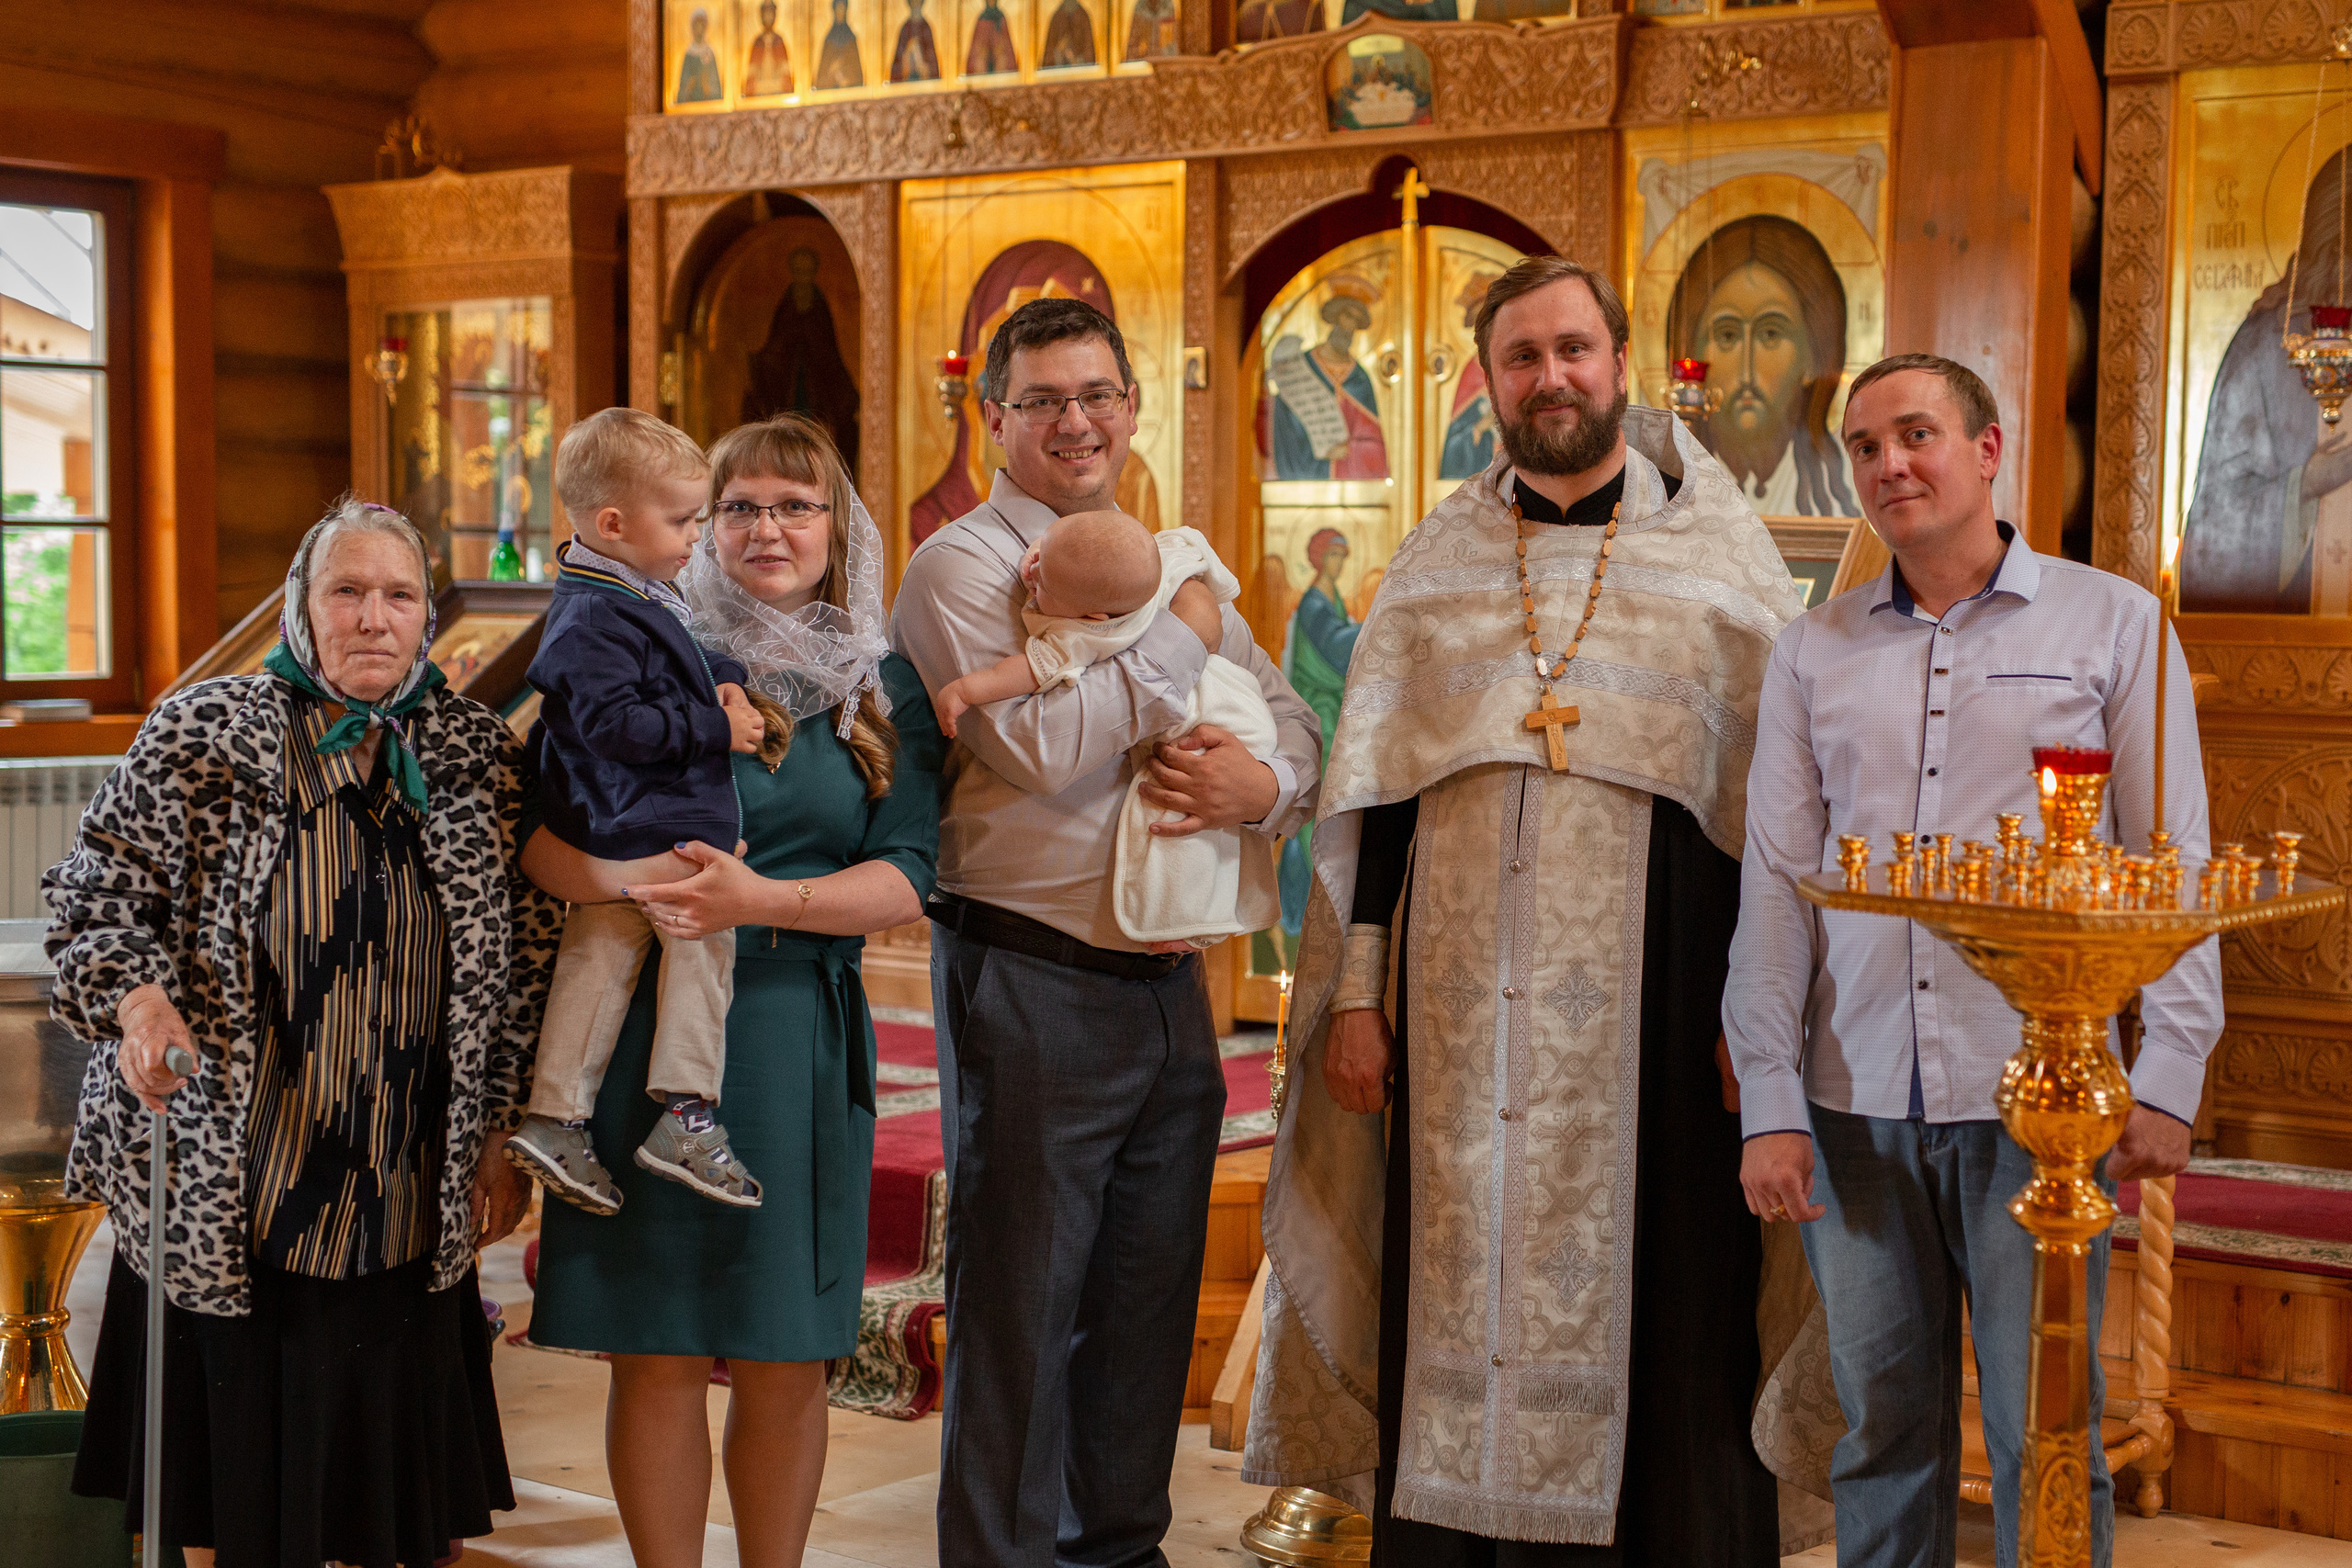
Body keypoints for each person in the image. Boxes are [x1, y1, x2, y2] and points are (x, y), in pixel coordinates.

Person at [1243, 254, 1836, 1563]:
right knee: (1452, 1279)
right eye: (1522, 356)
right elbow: (1375, 809)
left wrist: (1766, 1020)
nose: (1551, 376)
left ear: (1620, 366)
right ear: (1491, 385)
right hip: (1455, 1035)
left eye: (1574, 349)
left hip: (1671, 1020)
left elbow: (1776, 821)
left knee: (1675, 1296)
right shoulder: (1438, 560)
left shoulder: (1720, 558)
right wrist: (1356, 996)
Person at [1724, 353, 2221, 1568]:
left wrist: (2170, 1068)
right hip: (1855, 1091)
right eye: (1863, 445)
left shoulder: (2113, 623)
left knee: (2043, 1422)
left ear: (1988, 451)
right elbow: (1778, 885)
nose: (1888, 463)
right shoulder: (1815, 649)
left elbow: (2174, 857)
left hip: (2038, 1100)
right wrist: (1770, 1098)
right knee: (1883, 1427)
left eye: (1916, 434)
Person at [891, 296, 1321, 1567]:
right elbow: (1040, 746)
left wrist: (1270, 788)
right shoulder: (964, 566)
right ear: (994, 421)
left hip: (1166, 985)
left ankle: (1120, 1551)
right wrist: (1181, 641)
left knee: (1144, 1308)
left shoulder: (1168, 552)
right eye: (1042, 400)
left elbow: (1290, 714)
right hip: (1028, 975)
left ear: (1132, 408)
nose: (1076, 420)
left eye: (1097, 394)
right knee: (1022, 1314)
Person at [52, 498, 560, 1567]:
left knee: (397, 1508)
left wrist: (503, 1134)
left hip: (404, 1171)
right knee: (222, 1493)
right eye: (348, 591)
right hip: (231, 1168)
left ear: (430, 617)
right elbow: (95, 896)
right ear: (301, 603)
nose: (374, 617)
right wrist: (142, 1005)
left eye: (400, 595)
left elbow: (527, 957)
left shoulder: (471, 747)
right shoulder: (206, 729)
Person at [527, 413, 946, 1568]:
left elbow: (910, 875)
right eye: (743, 505)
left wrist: (756, 904)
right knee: (654, 1345)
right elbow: (537, 842)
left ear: (835, 528)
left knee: (782, 1347)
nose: (769, 527)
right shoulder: (633, 647)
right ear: (701, 526)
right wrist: (635, 883)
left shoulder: (881, 684)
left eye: (797, 506)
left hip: (792, 1032)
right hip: (647, 1033)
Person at [503, 408, 769, 1216]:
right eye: (685, 518)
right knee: (703, 934)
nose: (698, 533)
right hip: (646, 817)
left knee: (600, 951)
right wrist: (717, 727)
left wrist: (722, 673)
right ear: (613, 522)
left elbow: (681, 648)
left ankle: (556, 1114)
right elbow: (617, 725)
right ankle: (687, 1109)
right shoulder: (590, 619)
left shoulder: (629, 588)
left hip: (619, 820)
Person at [931, 510, 1283, 948]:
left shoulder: (1084, 633)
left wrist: (968, 688)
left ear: (1094, 615)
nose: (1031, 574)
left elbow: (1024, 671)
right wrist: (1190, 626)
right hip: (1240, 703)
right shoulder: (1164, 569)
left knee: (1173, 814)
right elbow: (1039, 756)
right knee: (1206, 822)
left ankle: (1178, 927)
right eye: (1037, 556)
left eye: (1042, 580)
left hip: (1205, 720)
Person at [2181, 147, 2352, 613]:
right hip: (2287, 634)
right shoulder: (2264, 345)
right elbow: (2214, 534)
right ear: (2336, 235)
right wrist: (2307, 484)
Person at [1666, 214, 1857, 518]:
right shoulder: (1660, 488)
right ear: (1693, 350)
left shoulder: (1854, 487)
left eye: (1771, 334)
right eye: (1726, 335)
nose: (1747, 368)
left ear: (1812, 358)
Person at [1275, 525, 1360, 940]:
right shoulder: (1314, 603)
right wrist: (1374, 625)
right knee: (1316, 813)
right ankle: (1304, 899)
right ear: (1318, 558)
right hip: (1320, 714)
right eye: (1333, 555)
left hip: (1335, 710)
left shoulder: (1333, 599)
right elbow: (1335, 647)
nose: (1339, 563)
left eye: (1344, 556)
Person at [743, 0, 794, 96]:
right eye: (766, 14)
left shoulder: (779, 40)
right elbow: (752, 71)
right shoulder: (757, 41)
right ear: (761, 16)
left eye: (770, 14)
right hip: (760, 87)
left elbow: (785, 69)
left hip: (777, 86)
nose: (768, 18)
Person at [676, 6, 725, 102]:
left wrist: (708, 87)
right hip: (691, 100)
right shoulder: (689, 53)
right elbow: (684, 83)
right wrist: (689, 85)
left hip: (708, 100)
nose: (699, 28)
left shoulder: (709, 51)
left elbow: (715, 83)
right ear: (692, 28)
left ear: (705, 27)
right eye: (696, 25)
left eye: (701, 25)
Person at [816, 0, 865, 90]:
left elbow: (858, 76)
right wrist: (832, 71)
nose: (840, 12)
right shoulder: (828, 40)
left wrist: (847, 77)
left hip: (849, 90)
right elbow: (821, 78)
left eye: (842, 9)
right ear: (834, 11)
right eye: (838, 9)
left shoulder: (851, 39)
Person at [889, 0, 940, 82]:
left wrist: (923, 65)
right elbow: (897, 60)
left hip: (925, 82)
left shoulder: (925, 28)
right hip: (906, 80)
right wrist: (908, 54)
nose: (915, 4)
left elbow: (932, 60)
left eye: (918, 1)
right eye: (913, 2)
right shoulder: (905, 28)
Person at [1041, 0, 1097, 67]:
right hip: (1059, 72)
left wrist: (1077, 60)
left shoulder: (1083, 16)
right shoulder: (1057, 16)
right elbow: (1049, 54)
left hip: (1080, 71)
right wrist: (1059, 50)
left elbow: (1089, 52)